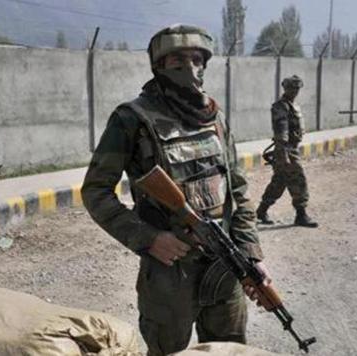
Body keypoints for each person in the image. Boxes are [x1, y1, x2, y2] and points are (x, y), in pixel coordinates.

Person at [81, 24, 271, 356]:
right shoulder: (132, 119)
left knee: (229, 350)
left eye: (197, 59)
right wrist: (148, 238)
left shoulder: (214, 117)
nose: (190, 68)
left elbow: (237, 190)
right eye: (178, 60)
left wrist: (251, 256)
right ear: (159, 65)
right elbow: (96, 191)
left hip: (225, 268)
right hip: (171, 276)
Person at [256, 75, 318, 228]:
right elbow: (281, 130)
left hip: (291, 148)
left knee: (280, 181)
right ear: (285, 88)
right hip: (285, 149)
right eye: (292, 88)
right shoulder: (280, 106)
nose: (295, 91)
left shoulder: (292, 105)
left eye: (297, 88)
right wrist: (283, 154)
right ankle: (301, 214)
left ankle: (261, 210)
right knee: (298, 179)